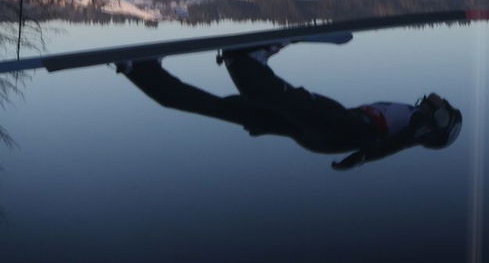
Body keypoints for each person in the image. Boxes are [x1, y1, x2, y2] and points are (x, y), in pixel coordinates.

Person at [116, 44, 462, 170]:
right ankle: (142, 71)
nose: (434, 99)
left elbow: (396, 145)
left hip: (345, 131)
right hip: (325, 134)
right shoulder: (413, 116)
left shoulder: (419, 126)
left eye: (442, 106)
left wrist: (362, 157)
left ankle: (244, 60)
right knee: (226, 108)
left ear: (440, 121)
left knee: (275, 98)